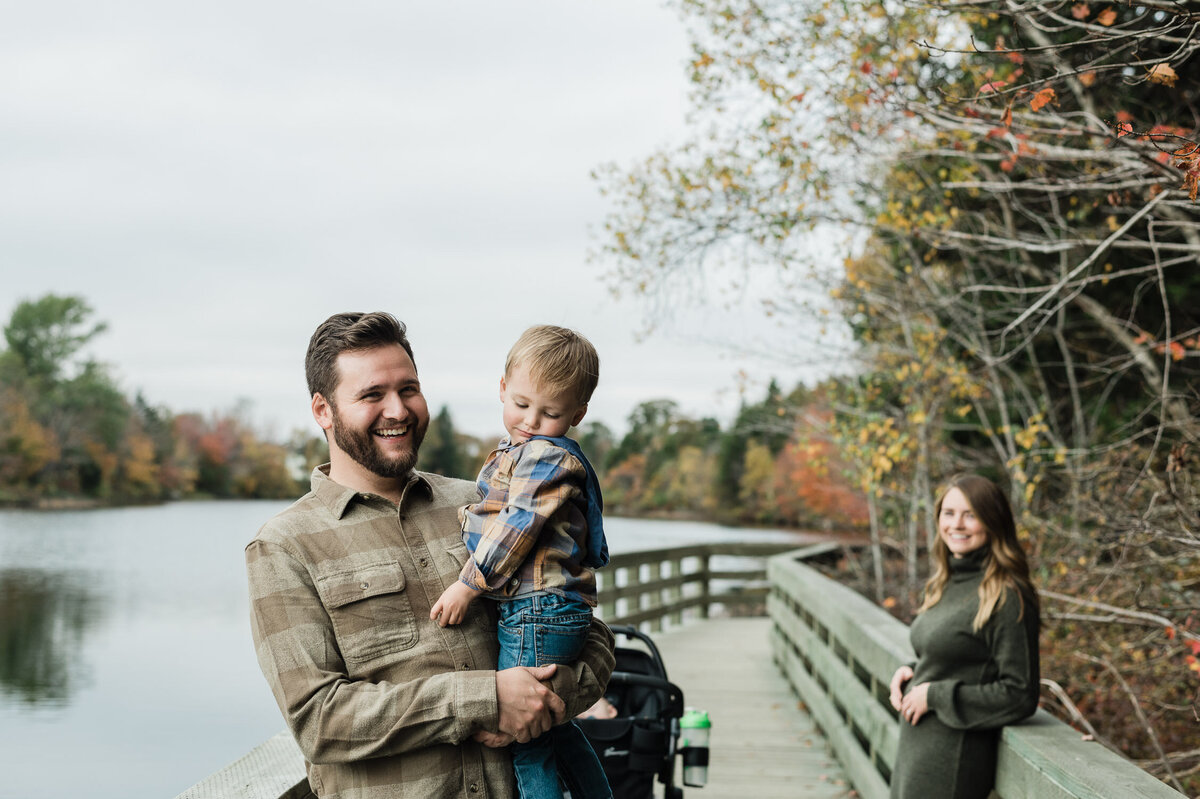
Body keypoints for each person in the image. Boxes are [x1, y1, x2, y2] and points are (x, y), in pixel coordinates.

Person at [245, 312, 615, 799]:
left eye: (408, 389)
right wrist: (487, 699)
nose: (398, 410)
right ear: (323, 410)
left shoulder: (484, 504)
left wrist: (547, 699)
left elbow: (592, 636)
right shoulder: (284, 546)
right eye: (372, 395)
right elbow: (320, 722)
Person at [430, 324, 612, 799]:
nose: (530, 421)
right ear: (502, 387)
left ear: (578, 413)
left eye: (550, 413)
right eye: (522, 404)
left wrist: (468, 585)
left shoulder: (543, 458)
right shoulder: (526, 451)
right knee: (551, 727)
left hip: (538, 610)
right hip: (549, 611)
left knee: (527, 743)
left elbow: (517, 525)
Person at [887, 474, 1041, 799]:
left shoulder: (1006, 594)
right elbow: (959, 655)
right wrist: (913, 669)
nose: (957, 524)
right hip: (917, 752)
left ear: (992, 521)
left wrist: (936, 695)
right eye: (949, 512)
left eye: (970, 514)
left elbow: (1020, 694)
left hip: (952, 759)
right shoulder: (947, 581)